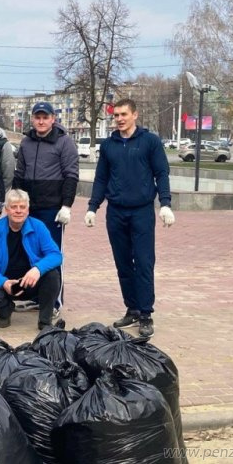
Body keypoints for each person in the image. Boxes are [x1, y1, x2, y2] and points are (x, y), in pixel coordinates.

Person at [84, 98, 175, 338]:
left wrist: (165, 203)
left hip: (142, 211)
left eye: (124, 114)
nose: (120, 119)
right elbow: (101, 178)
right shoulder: (109, 146)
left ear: (135, 115)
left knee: (144, 262)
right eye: (116, 115)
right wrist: (93, 207)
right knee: (123, 263)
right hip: (116, 212)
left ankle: (145, 313)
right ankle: (132, 307)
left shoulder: (150, 142)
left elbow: (161, 173)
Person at [13, 101, 79, 310]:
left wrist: (66, 205)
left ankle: (54, 303)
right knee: (30, 252)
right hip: (28, 209)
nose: (41, 121)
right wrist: (15, 202)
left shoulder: (64, 142)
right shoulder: (26, 143)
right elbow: (19, 174)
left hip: (52, 208)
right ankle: (37, 297)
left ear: (53, 119)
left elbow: (71, 174)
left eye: (45, 117)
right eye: (37, 117)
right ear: (32, 119)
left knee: (51, 253)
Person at [0, 189, 62, 329]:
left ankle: (45, 322)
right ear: (6, 210)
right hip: (4, 283)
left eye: (22, 207)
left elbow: (56, 255)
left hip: (29, 281)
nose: (18, 211)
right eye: (14, 207)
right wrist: (3, 282)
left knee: (52, 276)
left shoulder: (38, 226)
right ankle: (5, 310)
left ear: (28, 210)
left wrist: (37, 269)